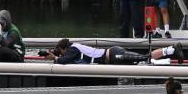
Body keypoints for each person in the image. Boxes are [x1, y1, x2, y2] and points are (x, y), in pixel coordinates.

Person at [44, 38, 181, 65]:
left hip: (114, 54)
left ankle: (172, 49)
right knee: (144, 60)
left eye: (60, 51)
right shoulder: (74, 47)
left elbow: (64, 60)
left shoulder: (73, 49)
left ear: (64, 48)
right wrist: (55, 56)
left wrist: (54, 58)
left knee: (144, 58)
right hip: (113, 57)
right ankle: (169, 57)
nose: (61, 53)